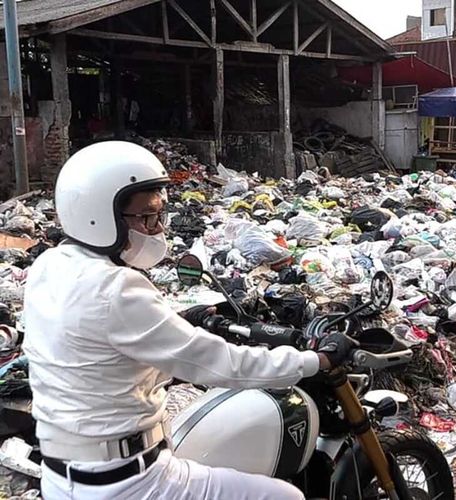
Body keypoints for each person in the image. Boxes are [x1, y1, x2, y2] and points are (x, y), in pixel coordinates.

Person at [23, 141, 355, 500]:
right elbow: (219, 365)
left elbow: (98, 344)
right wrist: (312, 361)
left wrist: (180, 319)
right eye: (147, 217)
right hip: (132, 484)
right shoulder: (117, 287)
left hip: (62, 479)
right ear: (99, 216)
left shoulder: (50, 267)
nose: (156, 229)